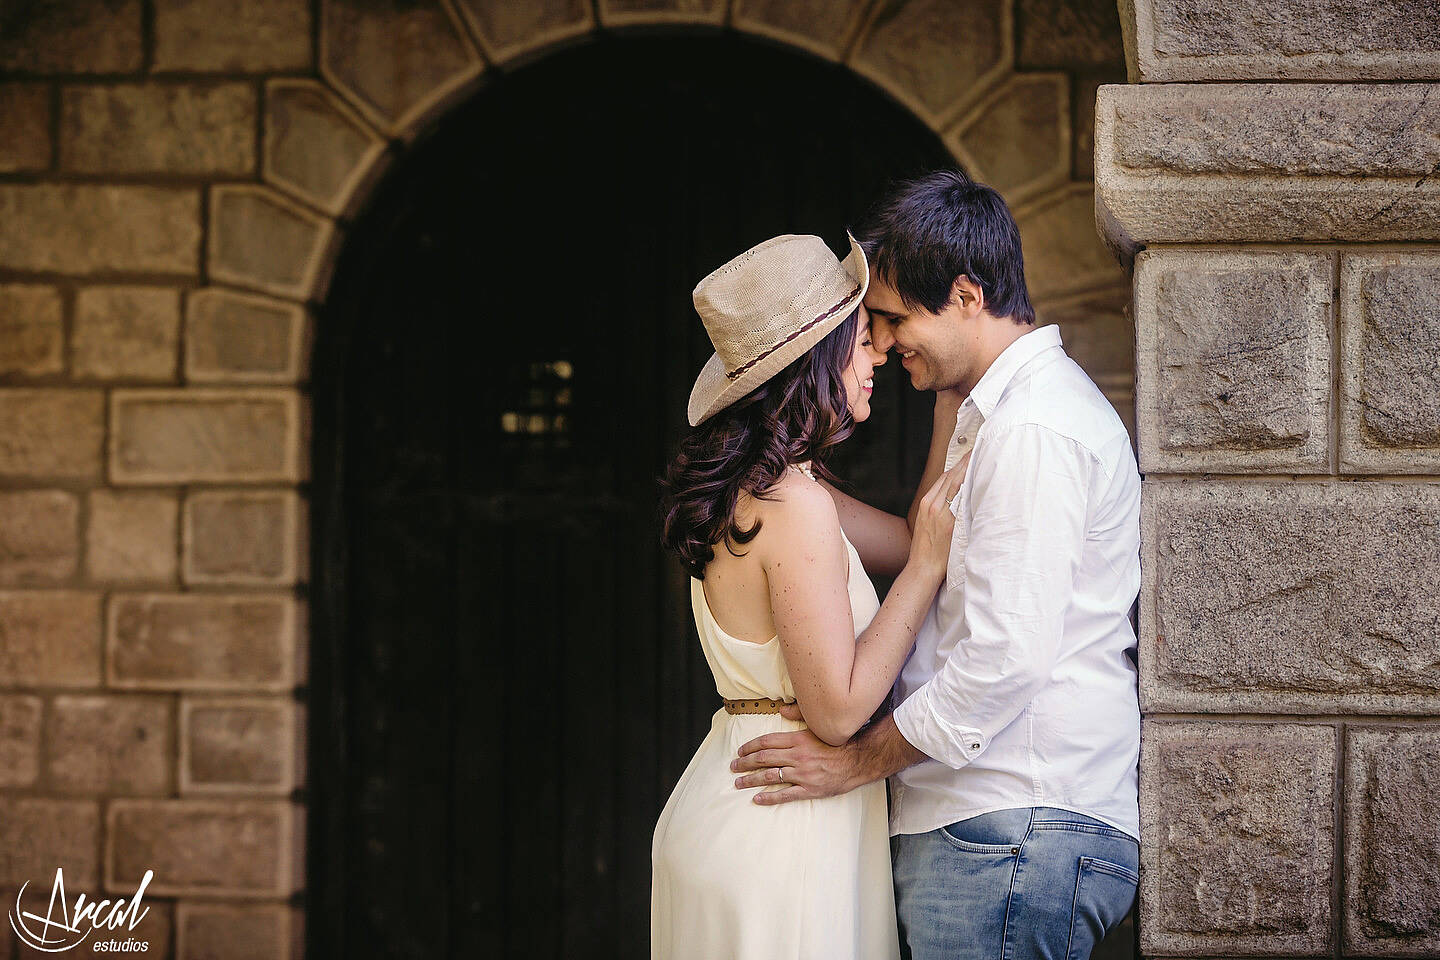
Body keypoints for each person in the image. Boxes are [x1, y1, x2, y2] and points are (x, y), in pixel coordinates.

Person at [729, 170, 1144, 960]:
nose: (880, 344)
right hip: (994, 829)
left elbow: (1001, 662)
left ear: (964, 295)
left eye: (891, 320)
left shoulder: (1034, 431)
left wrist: (857, 763)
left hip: (1009, 826)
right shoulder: (998, 416)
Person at [651, 232, 968, 960]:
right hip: (780, 828)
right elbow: (837, 711)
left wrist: (951, 396)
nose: (880, 355)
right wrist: (921, 574)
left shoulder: (778, 492)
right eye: (861, 341)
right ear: (815, 362)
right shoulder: (794, 507)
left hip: (743, 804)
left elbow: (910, 532)